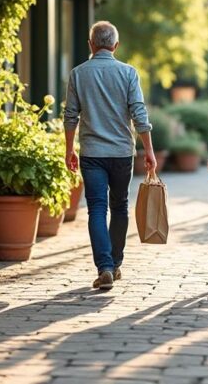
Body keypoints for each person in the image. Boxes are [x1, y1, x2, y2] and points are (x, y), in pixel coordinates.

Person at [64, 21, 156, 291]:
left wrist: (69, 149)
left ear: (91, 45)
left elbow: (70, 116)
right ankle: (115, 264)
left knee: (96, 208)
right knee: (119, 206)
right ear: (116, 46)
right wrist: (149, 150)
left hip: (92, 153)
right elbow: (139, 114)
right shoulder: (128, 73)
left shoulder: (78, 74)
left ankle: (104, 267)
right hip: (121, 154)